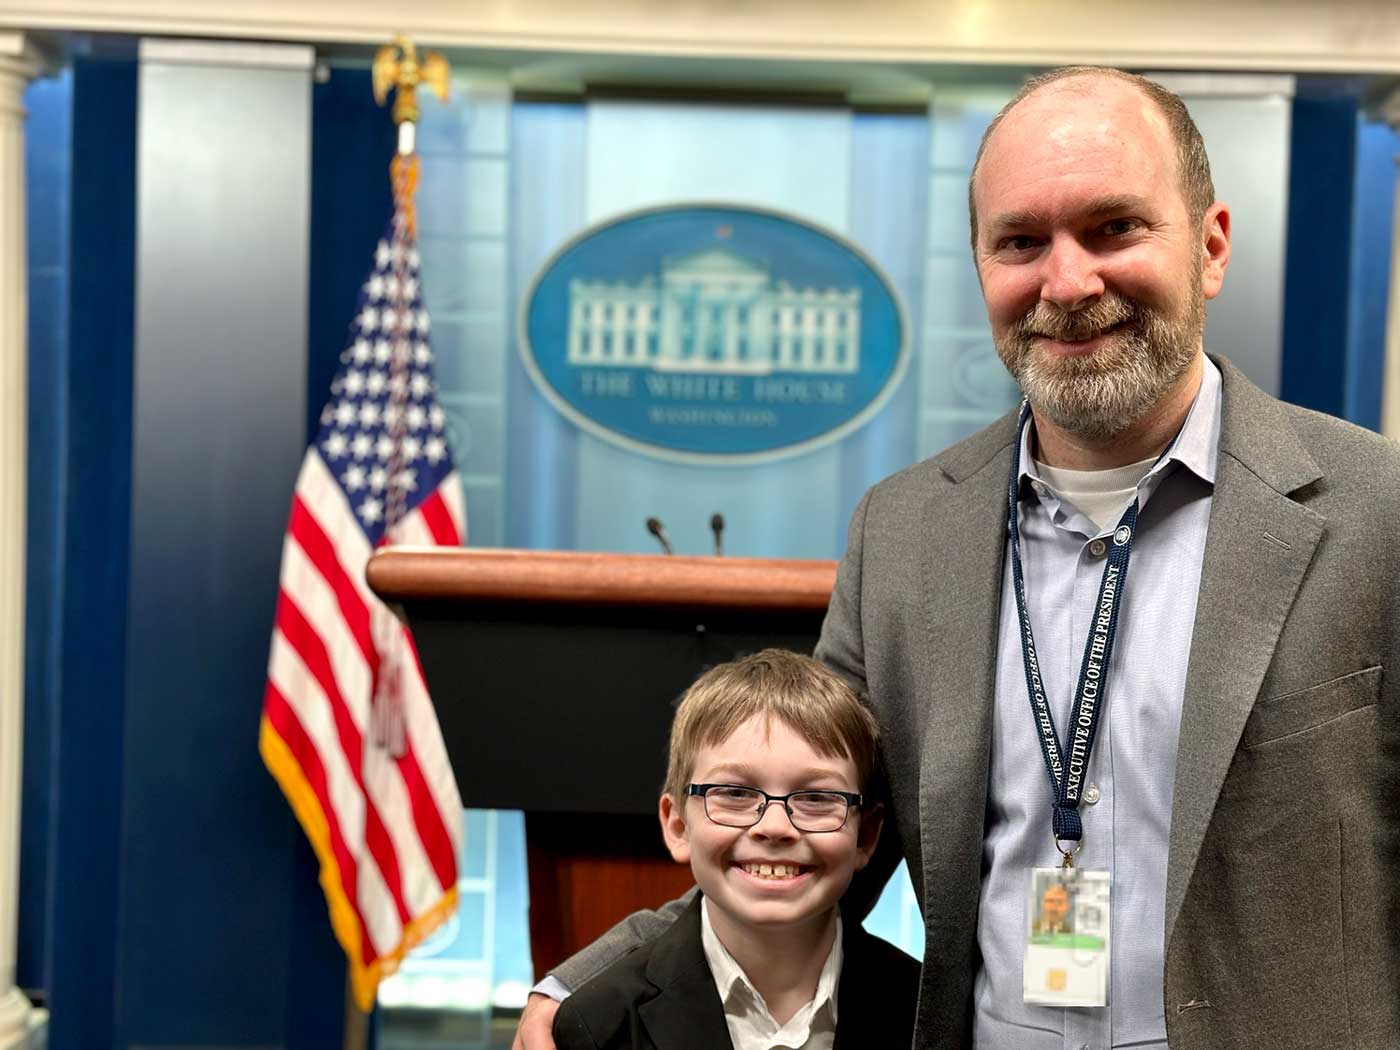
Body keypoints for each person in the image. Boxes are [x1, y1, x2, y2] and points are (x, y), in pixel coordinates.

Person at [516, 66, 1400, 1050]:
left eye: (1112, 227)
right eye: (1020, 241)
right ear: (981, 264)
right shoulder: (902, 535)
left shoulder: (1376, 516)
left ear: (1209, 245)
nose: (1066, 283)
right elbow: (803, 813)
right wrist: (589, 980)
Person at [551, 649, 920, 1050]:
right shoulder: (598, 1025)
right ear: (677, 826)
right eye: (733, 793)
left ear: (865, 834)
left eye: (816, 798)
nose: (775, 827)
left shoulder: (927, 1013)